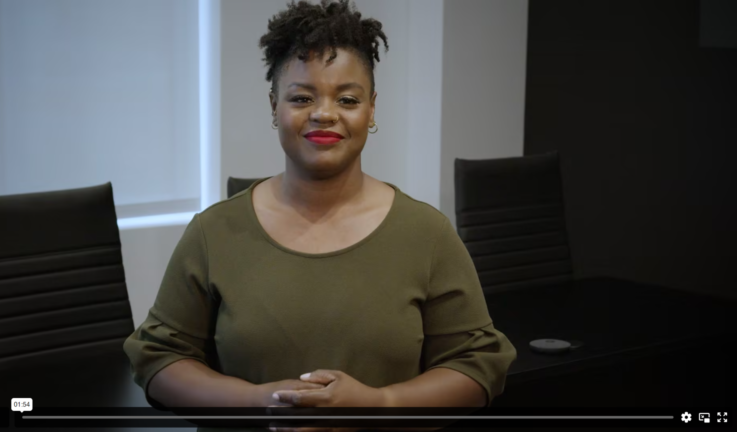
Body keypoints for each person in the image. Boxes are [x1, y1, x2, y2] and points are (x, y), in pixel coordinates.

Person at [124, 0, 516, 430]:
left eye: (347, 98)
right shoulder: (213, 232)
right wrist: (258, 402)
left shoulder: (427, 234)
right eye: (301, 97)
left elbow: (476, 366)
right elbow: (159, 359)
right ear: (275, 106)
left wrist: (378, 404)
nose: (324, 113)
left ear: (371, 109)